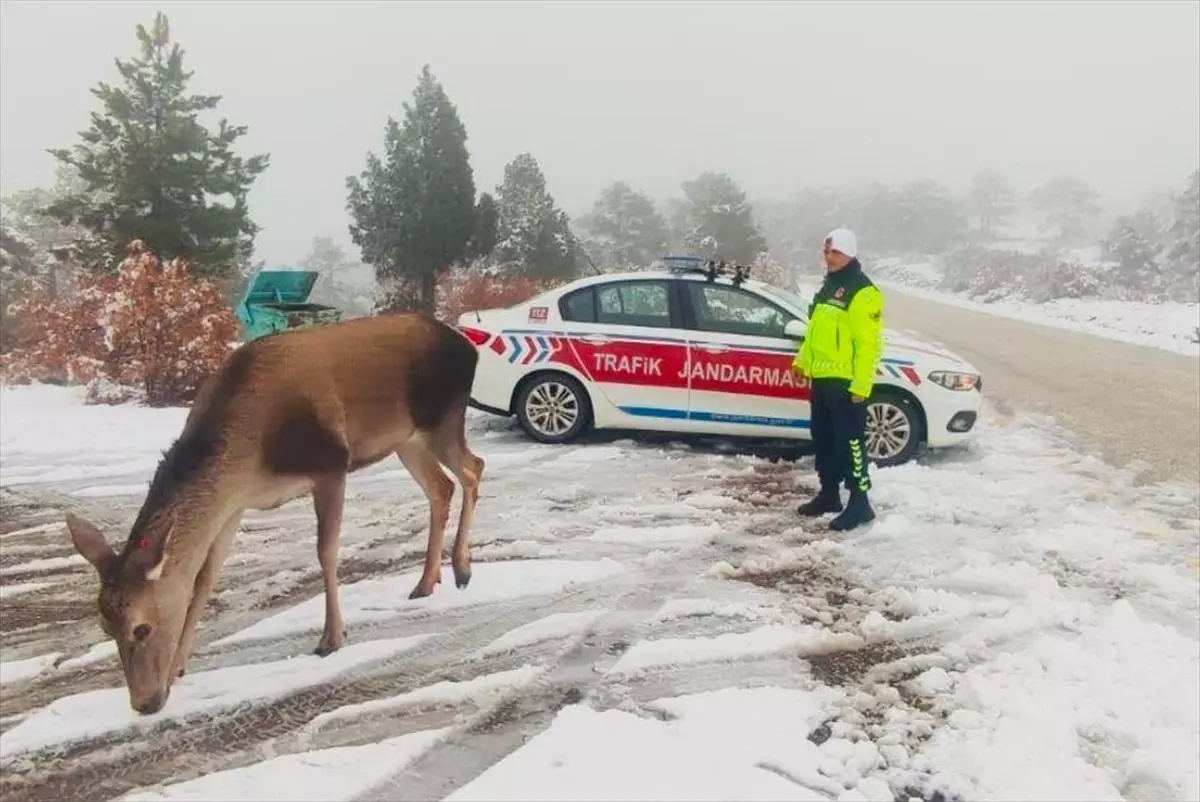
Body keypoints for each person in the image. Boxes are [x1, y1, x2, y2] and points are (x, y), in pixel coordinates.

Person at [791, 228, 884, 531]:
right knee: (824, 439)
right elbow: (814, 333)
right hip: (822, 378)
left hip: (846, 383)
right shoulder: (827, 288)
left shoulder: (863, 292)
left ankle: (860, 503)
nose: (830, 258)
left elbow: (869, 344)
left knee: (850, 444)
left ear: (850, 254)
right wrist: (802, 362)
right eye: (827, 252)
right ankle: (829, 493)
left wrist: (861, 385)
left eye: (836, 253)